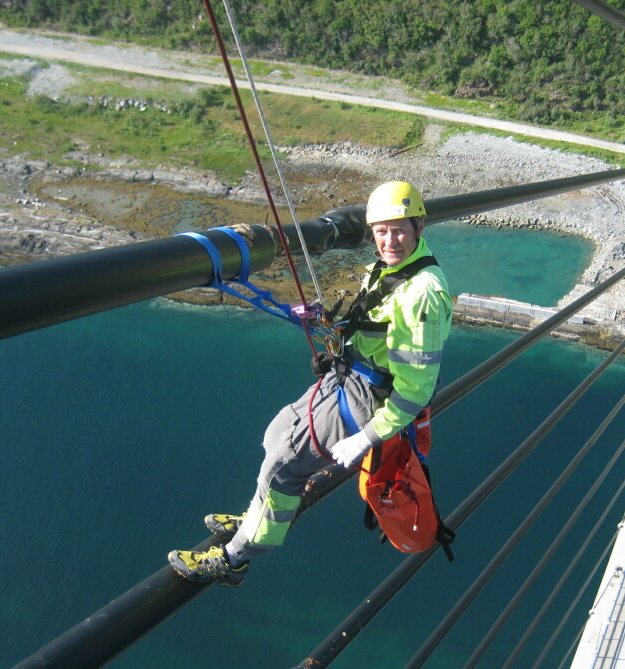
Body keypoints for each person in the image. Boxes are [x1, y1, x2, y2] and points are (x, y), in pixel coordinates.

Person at [168, 181, 452, 587]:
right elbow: (377, 326)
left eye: (399, 230)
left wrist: (366, 438)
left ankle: (235, 559)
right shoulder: (395, 267)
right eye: (382, 231)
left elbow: (416, 390)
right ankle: (259, 516)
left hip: (370, 398)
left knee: (285, 464)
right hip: (351, 375)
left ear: (419, 227)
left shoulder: (422, 294)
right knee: (277, 434)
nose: (390, 240)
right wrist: (330, 326)